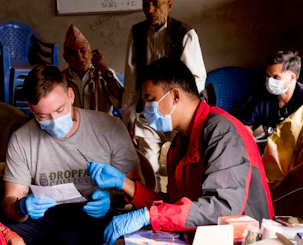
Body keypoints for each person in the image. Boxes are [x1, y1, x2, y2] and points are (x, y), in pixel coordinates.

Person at [88, 57, 274, 245]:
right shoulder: (179, 144)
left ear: (175, 96)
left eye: (150, 100)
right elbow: (175, 206)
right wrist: (124, 183)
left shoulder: (222, 132)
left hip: (245, 239)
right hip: (202, 235)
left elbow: (223, 207)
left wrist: (148, 215)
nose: (145, 110)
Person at [2, 65, 143, 245]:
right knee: (1, 235)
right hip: (46, 214)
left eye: (60, 110)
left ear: (71, 95)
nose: (54, 121)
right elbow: (10, 200)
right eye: (43, 116)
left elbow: (139, 184)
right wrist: (21, 207)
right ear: (31, 108)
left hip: (93, 213)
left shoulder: (110, 128)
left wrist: (113, 199)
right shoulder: (22, 139)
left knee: (67, 240)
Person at [122, 0, 207, 190]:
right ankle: (150, 206)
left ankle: (176, 208)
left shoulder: (185, 34)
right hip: (149, 110)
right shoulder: (137, 33)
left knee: (179, 165)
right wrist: (130, 116)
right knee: (147, 164)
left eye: (155, 3)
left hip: (178, 112)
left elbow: (197, 79)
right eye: (145, 4)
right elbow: (132, 76)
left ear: (169, 5)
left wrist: (181, 109)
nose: (150, 9)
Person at [240, 50, 303, 137]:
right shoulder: (261, 94)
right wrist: (248, 137)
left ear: (291, 78)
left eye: (276, 77)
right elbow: (245, 124)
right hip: (270, 146)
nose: (269, 81)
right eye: (268, 76)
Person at [62, 24, 123, 115]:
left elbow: (120, 102)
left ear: (91, 53)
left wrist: (105, 71)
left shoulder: (104, 75)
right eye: (73, 53)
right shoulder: (61, 79)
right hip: (74, 127)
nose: (79, 57)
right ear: (66, 58)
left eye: (83, 51)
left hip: (101, 127)